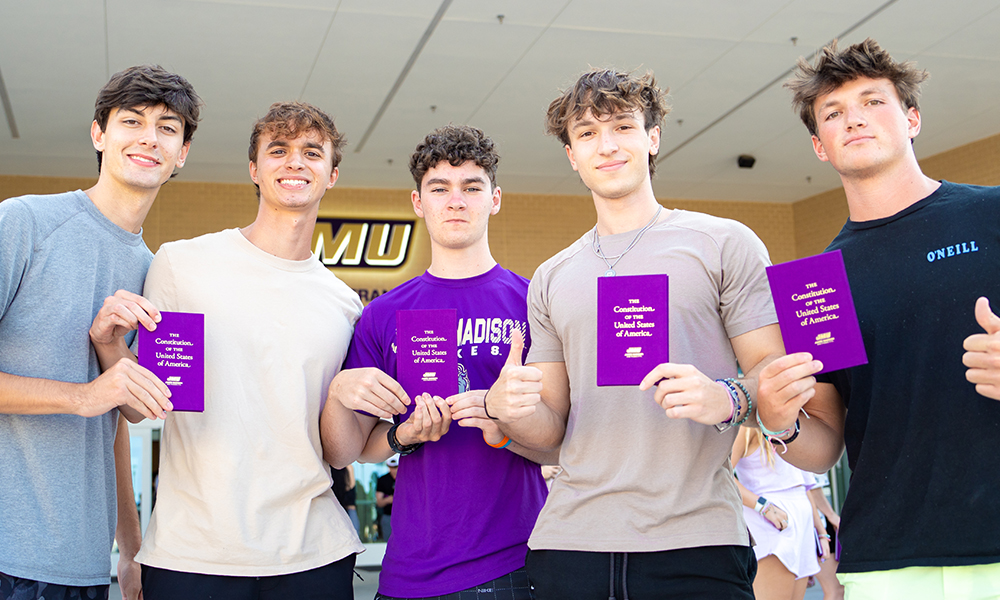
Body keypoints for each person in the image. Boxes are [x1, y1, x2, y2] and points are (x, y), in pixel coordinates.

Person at [484, 68, 785, 599]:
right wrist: (509, 408)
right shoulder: (552, 275)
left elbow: (775, 374)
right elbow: (550, 431)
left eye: (622, 126)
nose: (606, 145)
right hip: (570, 544)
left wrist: (727, 394)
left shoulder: (723, 244)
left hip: (697, 541)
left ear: (653, 138)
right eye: (586, 133)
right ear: (572, 156)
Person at [757, 38, 1000, 599]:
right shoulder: (814, 281)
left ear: (912, 118)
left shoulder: (990, 217)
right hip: (885, 563)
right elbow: (825, 442)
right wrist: (779, 421)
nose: (854, 119)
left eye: (873, 102)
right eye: (834, 113)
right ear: (820, 146)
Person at [133, 101, 364, 599]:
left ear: (332, 174)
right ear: (255, 170)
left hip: (311, 552)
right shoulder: (182, 265)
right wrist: (110, 346)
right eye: (278, 150)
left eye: (311, 152)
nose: (295, 162)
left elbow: (340, 442)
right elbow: (140, 405)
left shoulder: (344, 304)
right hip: (194, 552)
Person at [320, 125, 548, 599]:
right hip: (409, 571)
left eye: (472, 187)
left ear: (495, 199)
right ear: (418, 202)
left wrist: (504, 425)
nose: (456, 201)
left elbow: (565, 444)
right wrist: (397, 429)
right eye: (440, 188)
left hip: (513, 563)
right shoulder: (382, 315)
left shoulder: (534, 304)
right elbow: (353, 451)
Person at [0, 65, 200, 600]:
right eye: (131, 121)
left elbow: (121, 417)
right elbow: (94, 402)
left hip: (85, 566)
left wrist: (130, 551)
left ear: (182, 153)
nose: (148, 138)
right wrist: (83, 396)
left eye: (168, 127)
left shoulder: (158, 273)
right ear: (99, 134)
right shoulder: (23, 225)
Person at [732, 428, 821, 600]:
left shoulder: (794, 423)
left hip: (800, 518)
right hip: (770, 521)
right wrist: (764, 507)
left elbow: (802, 485)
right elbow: (723, 473)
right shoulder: (748, 428)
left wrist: (821, 531)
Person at [331, 464, 361, 536]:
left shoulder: (348, 467)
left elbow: (350, 490)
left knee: (353, 534)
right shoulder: (325, 467)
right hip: (334, 506)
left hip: (345, 506)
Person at [375, 456, 397, 541]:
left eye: (396, 467)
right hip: (388, 516)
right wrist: (389, 499)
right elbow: (379, 502)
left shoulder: (406, 478)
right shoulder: (383, 480)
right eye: (391, 467)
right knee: (387, 543)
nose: (394, 470)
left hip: (404, 516)